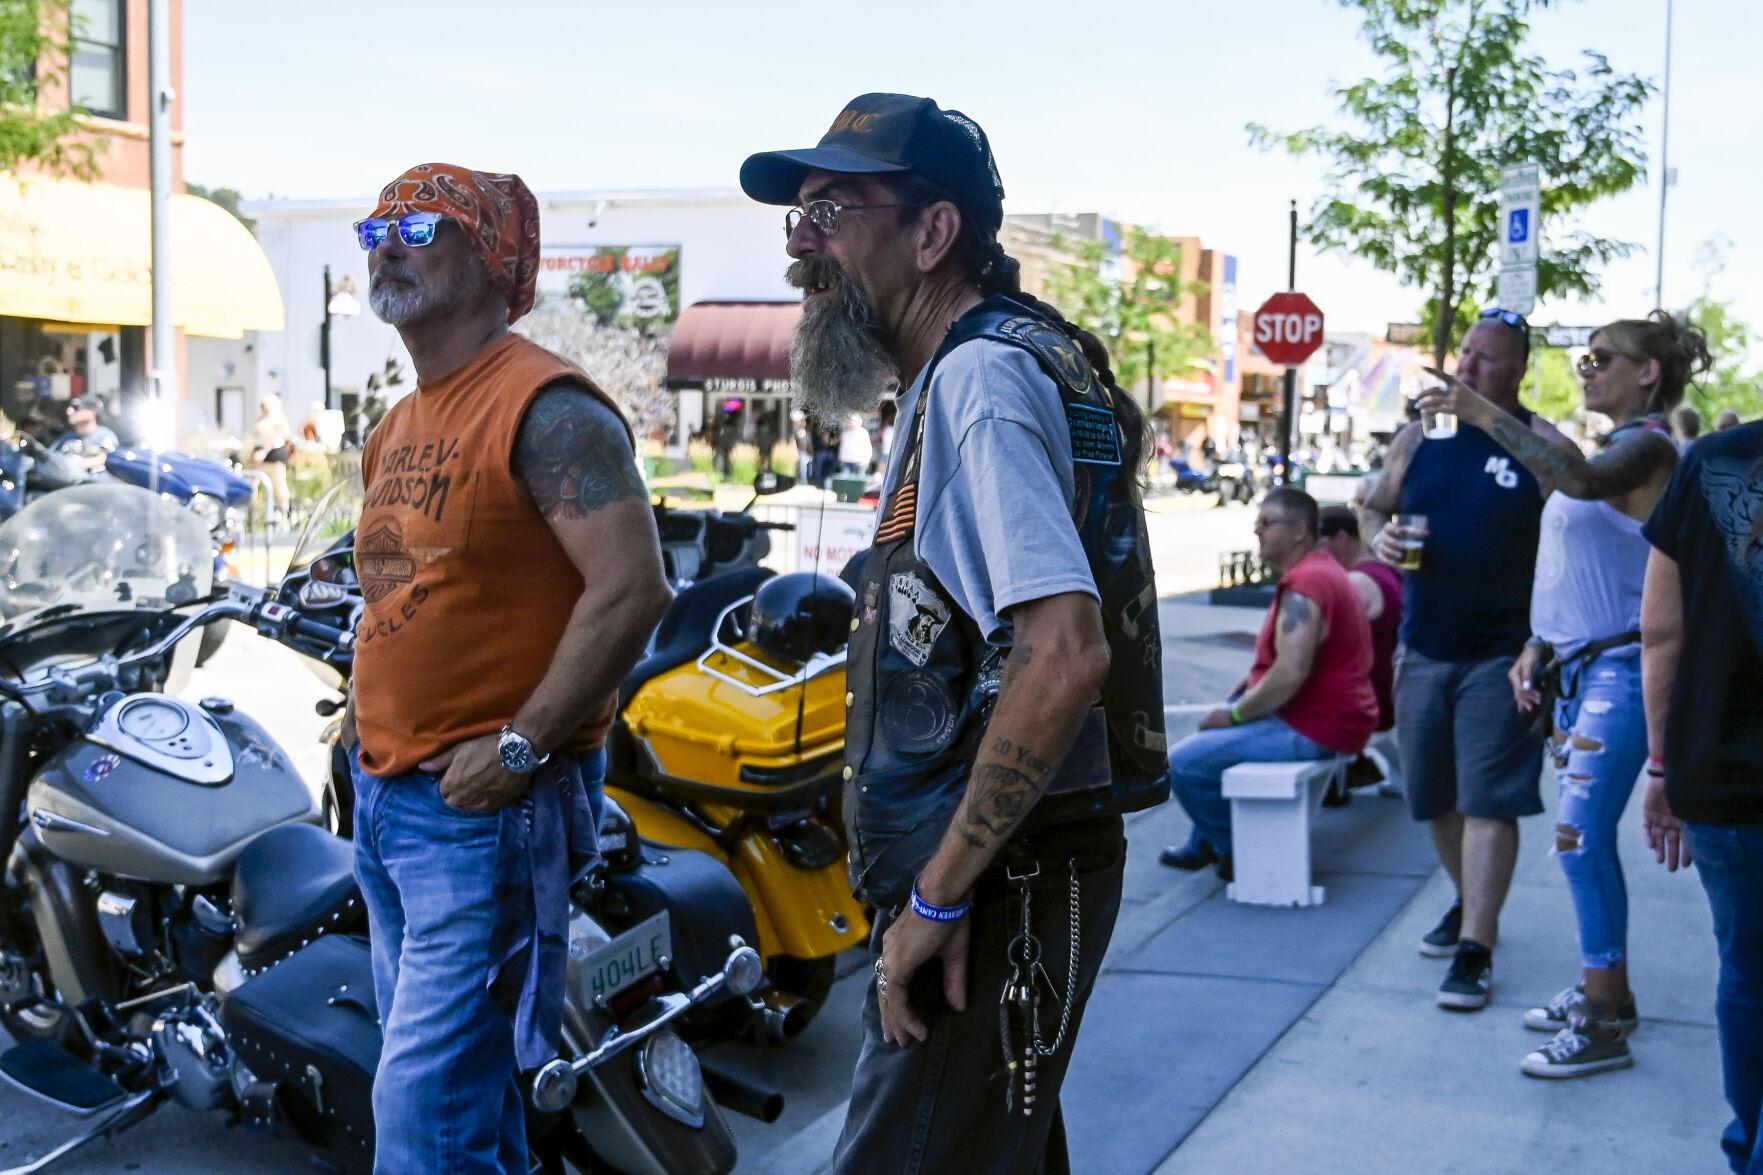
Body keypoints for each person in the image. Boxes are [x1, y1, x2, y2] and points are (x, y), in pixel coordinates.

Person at [741, 92, 1168, 1173]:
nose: (801, 240)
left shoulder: (979, 377)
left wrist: (939, 891)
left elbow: (1063, 648)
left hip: (993, 884)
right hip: (1009, 869)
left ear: (933, 233)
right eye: (796, 213)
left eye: (831, 209)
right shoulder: (990, 362)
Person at [342, 162, 670, 1173]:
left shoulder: (546, 405)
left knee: (421, 1123)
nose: (386, 242)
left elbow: (632, 588)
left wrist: (522, 744)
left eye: (417, 223)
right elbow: (404, 579)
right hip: (390, 795)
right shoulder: (401, 421)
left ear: (488, 255)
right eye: (374, 225)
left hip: (481, 812)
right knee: (463, 1113)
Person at [1420, 310, 1709, 1077]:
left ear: (1646, 373)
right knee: (1579, 843)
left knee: (1578, 841)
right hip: (1578, 669)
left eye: (1601, 357)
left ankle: (1604, 1017)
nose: (1586, 368)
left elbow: (1574, 480)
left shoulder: (1644, 446)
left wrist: (1479, 410)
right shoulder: (1618, 446)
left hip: (1617, 670)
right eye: (1583, 357)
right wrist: (1539, 639)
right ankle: (1604, 992)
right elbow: (1588, 568)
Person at [1363, 308, 1579, 1011]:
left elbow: (1575, 482)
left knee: (1487, 799)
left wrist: (1488, 416)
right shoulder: (1418, 437)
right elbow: (1371, 507)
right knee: (1431, 794)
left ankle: (1475, 947)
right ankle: (1467, 901)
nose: (1467, 368)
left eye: (1487, 359)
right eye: (1466, 355)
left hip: (1504, 652)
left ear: (1517, 370)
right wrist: (1378, 539)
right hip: (1424, 645)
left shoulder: (1533, 439)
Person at [1640, 416, 1763, 1174]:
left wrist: (1659, 765)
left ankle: (1746, 1140)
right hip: (1722, 781)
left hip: (1721, 770)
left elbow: (1661, 629)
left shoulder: (1712, 460)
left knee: (1747, 971)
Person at [1160, 489, 1377, 875]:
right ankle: (1204, 842)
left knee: (1181, 764)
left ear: (1299, 531)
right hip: (1324, 716)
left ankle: (1237, 851)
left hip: (1316, 726)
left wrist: (1237, 716)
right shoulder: (1320, 570)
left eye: (1266, 522)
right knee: (1209, 732)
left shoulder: (1307, 583)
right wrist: (1248, 688)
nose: (1256, 530)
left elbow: (1291, 671)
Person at [1319, 503, 1402, 733]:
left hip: (1357, 714)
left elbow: (1312, 656)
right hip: (1382, 705)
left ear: (1342, 538)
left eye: (1318, 546)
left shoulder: (1355, 583)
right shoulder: (1386, 571)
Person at [250, 393, 295, 522]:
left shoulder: (274, 419)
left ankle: (284, 514)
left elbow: (274, 438)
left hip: (270, 452)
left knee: (274, 484)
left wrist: (263, 451)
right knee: (261, 484)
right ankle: (255, 516)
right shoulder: (269, 418)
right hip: (266, 452)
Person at [51, 394, 119, 466]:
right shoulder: (66, 437)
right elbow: (50, 457)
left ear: (93, 411)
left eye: (76, 408)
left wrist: (84, 463)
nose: (69, 411)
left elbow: (111, 459)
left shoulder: (105, 436)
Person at [837, 411, 873, 476]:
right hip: (846, 462)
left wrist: (866, 461)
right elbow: (842, 447)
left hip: (860, 463)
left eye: (853, 421)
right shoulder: (845, 433)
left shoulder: (863, 433)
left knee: (859, 484)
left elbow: (868, 448)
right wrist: (841, 459)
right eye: (850, 421)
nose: (851, 423)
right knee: (845, 483)